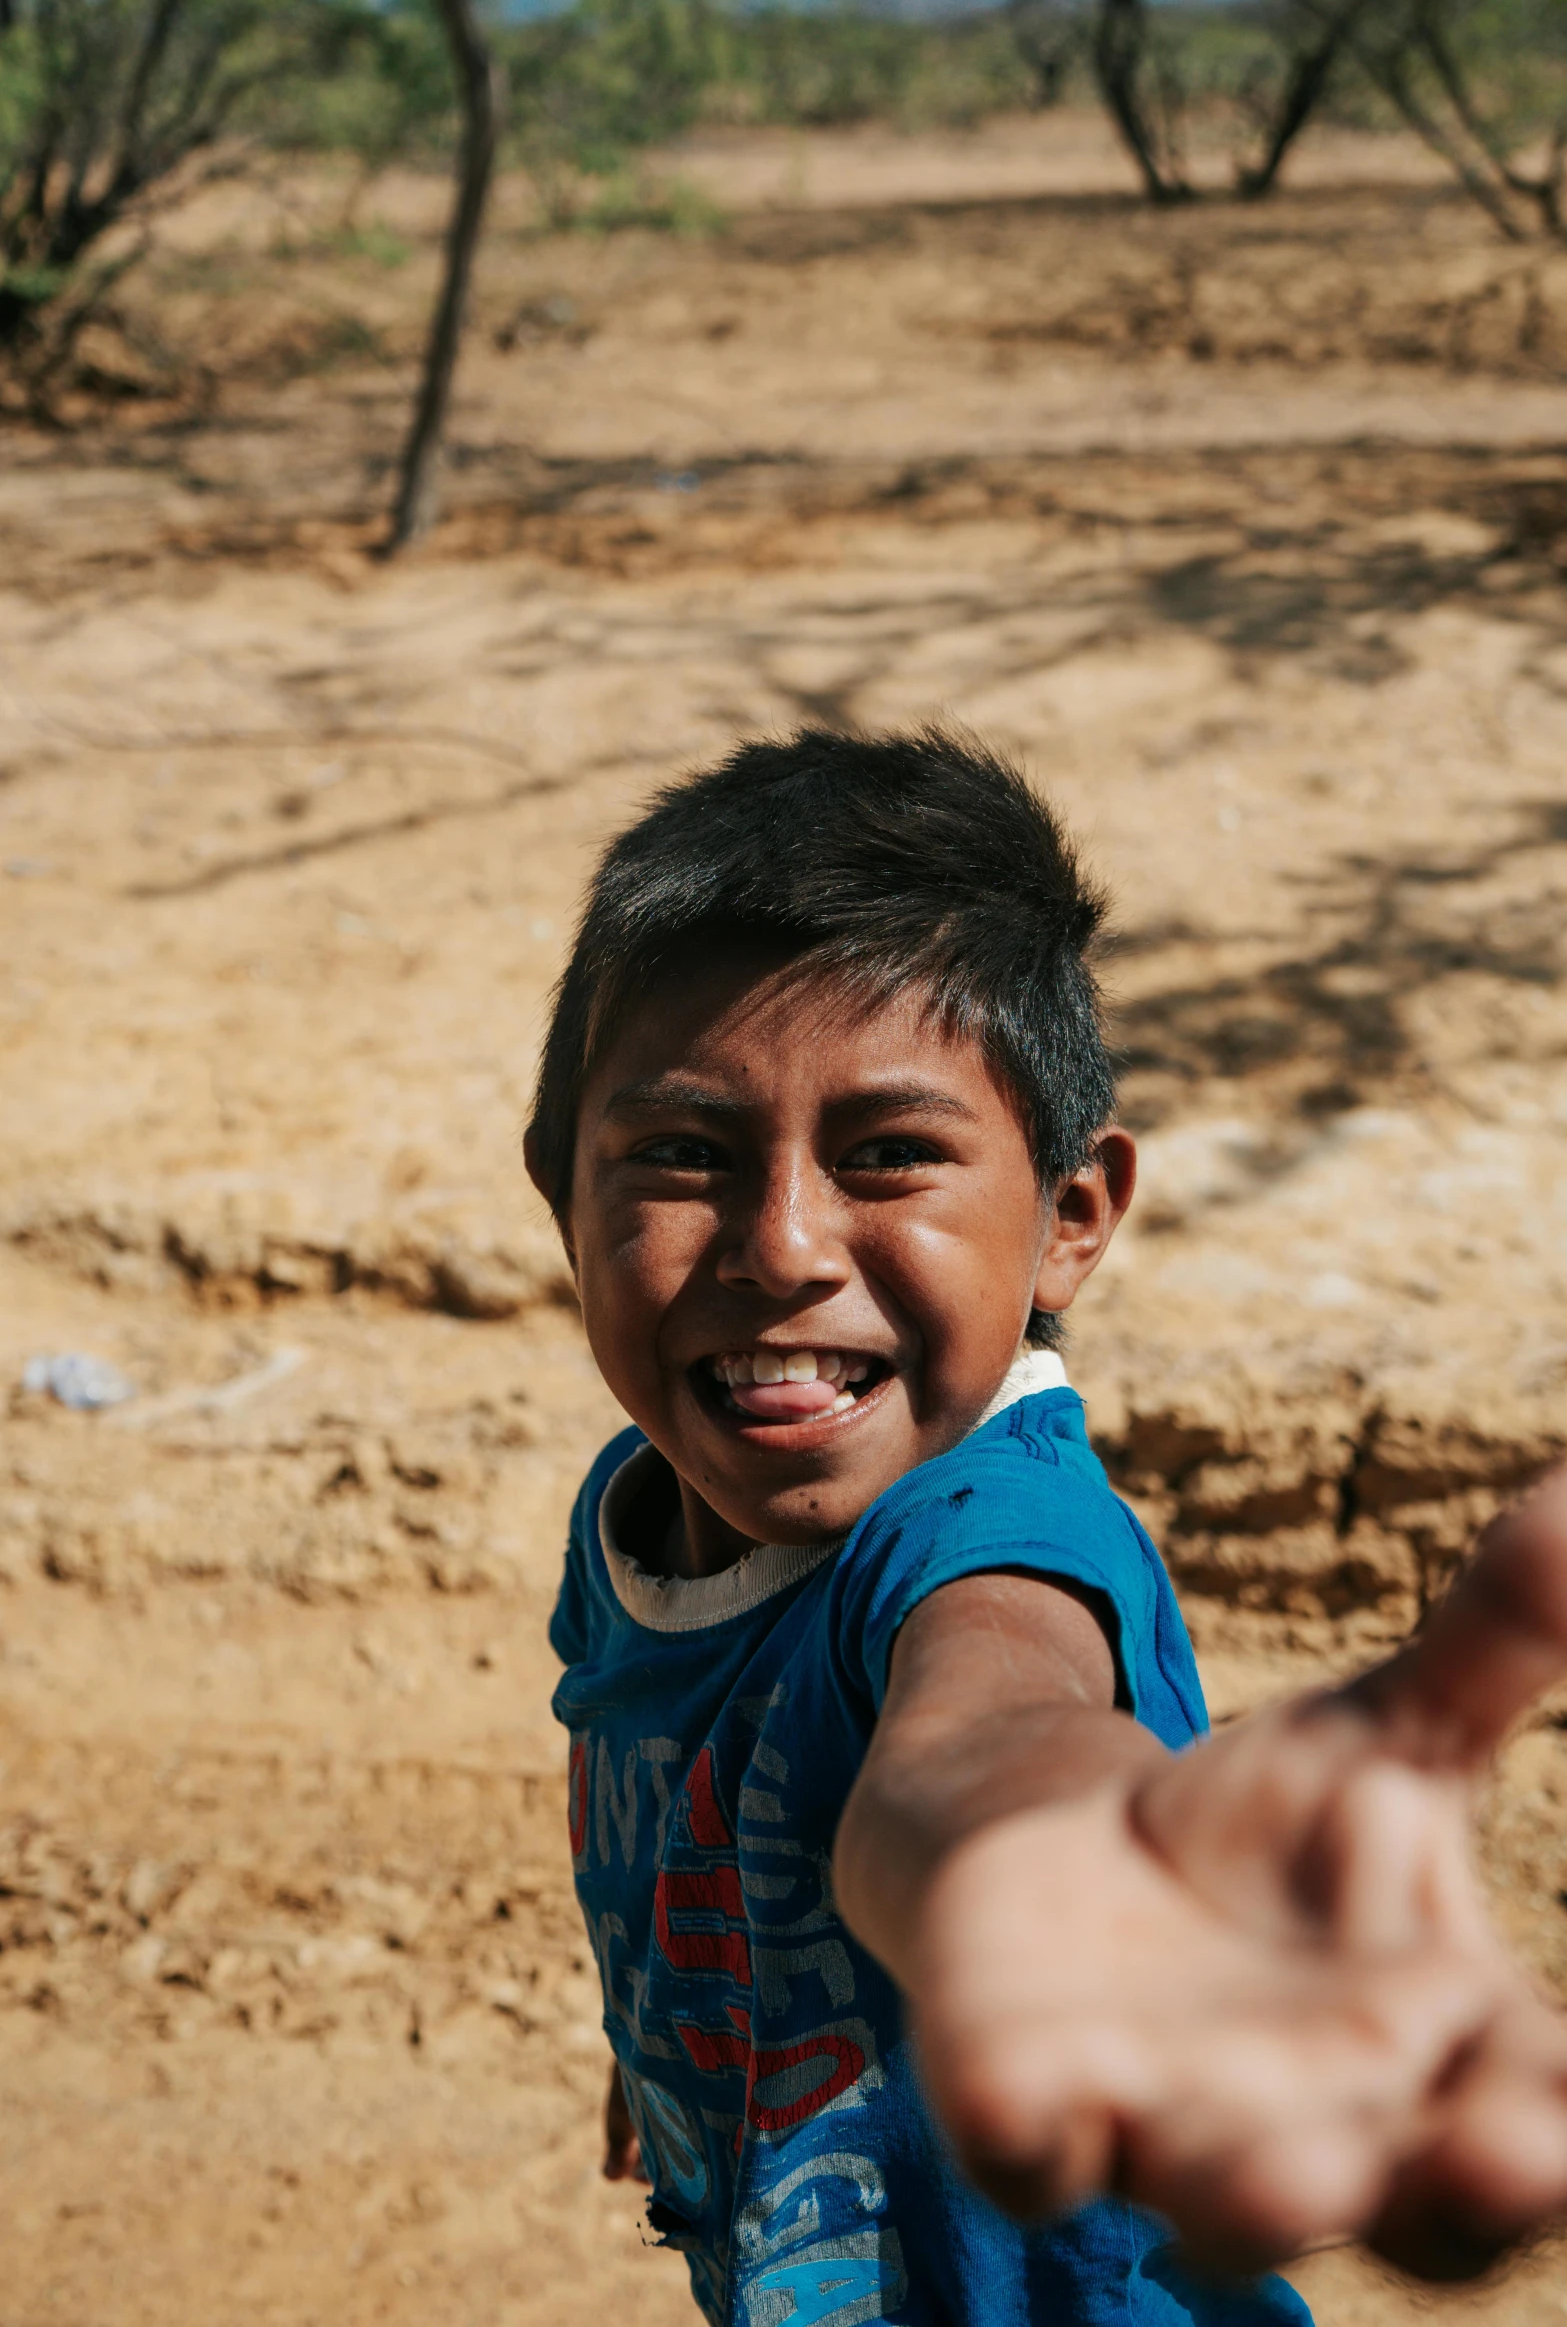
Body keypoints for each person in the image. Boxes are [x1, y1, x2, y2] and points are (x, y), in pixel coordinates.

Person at [525, 726, 1567, 2327]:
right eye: (680, 1154)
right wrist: (686, 2055)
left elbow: (987, 1726)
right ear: (558, 1194)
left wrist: (1062, 1863)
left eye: (889, 1156)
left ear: (1069, 1220)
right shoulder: (642, 1513)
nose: (782, 1243)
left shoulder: (987, 1535)